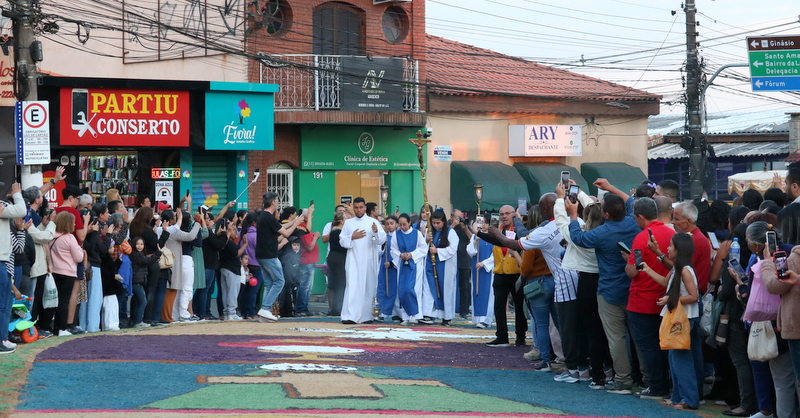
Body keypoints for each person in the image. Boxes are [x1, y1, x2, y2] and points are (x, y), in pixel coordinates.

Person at [566, 179, 639, 395]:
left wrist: (572, 215)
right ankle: (645, 379)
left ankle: (623, 379)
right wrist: (610, 187)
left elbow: (577, 237)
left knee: (616, 338)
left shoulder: (601, 233)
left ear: (606, 215)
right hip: (632, 287)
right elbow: (632, 202)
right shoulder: (634, 223)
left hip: (609, 291)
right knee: (639, 337)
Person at [555, 183, 607, 387]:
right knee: (608, 330)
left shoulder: (581, 235)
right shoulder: (609, 232)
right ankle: (609, 370)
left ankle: (597, 375)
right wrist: (580, 193)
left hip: (587, 282)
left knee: (591, 330)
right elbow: (596, 211)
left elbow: (562, 222)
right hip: (605, 280)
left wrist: (561, 200)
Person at [640, 233, 700, 410]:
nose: (668, 248)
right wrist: (647, 269)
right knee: (675, 361)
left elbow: (694, 296)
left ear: (678, 249)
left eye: (671, 246)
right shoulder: (678, 268)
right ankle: (678, 397)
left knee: (681, 361)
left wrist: (671, 299)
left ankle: (690, 399)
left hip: (684, 319)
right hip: (678, 318)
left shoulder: (685, 270)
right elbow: (665, 282)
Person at [625, 197, 675, 399]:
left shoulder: (641, 237)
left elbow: (633, 271)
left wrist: (626, 261)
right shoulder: (671, 233)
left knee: (648, 345)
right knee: (664, 344)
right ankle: (666, 383)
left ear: (640, 217)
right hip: (666, 298)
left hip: (642, 300)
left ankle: (657, 385)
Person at [255, 192, 303, 322]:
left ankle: (264, 313)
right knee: (279, 281)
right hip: (269, 255)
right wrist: (296, 224)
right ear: (272, 202)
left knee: (269, 284)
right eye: (277, 201)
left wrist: (294, 221)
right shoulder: (268, 217)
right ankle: (265, 308)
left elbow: (280, 227)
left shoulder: (263, 216)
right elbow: (286, 233)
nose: (278, 203)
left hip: (262, 255)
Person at [338, 197, 386, 324]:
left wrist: (376, 232)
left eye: (361, 207)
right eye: (356, 208)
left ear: (365, 208)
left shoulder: (373, 222)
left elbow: (382, 239)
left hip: (369, 260)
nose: (358, 210)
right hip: (353, 260)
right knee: (353, 287)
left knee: (368, 287)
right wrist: (352, 237)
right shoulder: (348, 223)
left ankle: (366, 316)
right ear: (353, 208)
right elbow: (342, 240)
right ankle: (350, 316)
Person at [485, 205, 525, 346]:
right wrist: (477, 232)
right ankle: (502, 336)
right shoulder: (496, 231)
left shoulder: (519, 230)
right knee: (499, 306)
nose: (504, 216)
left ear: (514, 214)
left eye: (507, 213)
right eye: (501, 214)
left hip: (516, 273)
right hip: (500, 273)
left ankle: (521, 336)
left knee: (519, 307)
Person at [129, 207, 169, 325]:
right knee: (150, 290)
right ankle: (147, 318)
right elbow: (158, 245)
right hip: (151, 261)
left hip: (137, 261)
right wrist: (165, 232)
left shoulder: (134, 228)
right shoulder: (148, 231)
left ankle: (134, 318)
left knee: (138, 292)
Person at [48, 212, 85, 336]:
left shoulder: (52, 236)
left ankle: (52, 327)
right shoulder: (69, 238)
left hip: (54, 271)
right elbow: (78, 257)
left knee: (54, 300)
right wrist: (81, 251)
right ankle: (62, 328)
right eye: (73, 222)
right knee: (64, 301)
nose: (74, 225)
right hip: (67, 272)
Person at [0, 184, 28, 350]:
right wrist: (17, 195)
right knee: (2, 305)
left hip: (5, 264)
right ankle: (2, 340)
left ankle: (3, 338)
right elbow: (21, 210)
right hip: (3, 263)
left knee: (4, 305)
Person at [422, 210, 459, 326]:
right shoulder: (429, 232)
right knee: (429, 287)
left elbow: (453, 249)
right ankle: (428, 314)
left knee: (445, 290)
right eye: (433, 223)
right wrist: (426, 240)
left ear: (443, 221)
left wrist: (437, 251)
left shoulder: (450, 232)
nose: (435, 225)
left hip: (445, 265)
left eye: (438, 223)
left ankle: (446, 316)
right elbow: (421, 247)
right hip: (430, 264)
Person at [391, 213, 427, 325]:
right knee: (402, 289)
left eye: (404, 224)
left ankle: (415, 315)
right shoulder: (396, 234)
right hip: (402, 264)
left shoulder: (417, 234)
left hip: (415, 264)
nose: (402, 227)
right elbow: (393, 249)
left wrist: (412, 254)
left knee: (413, 289)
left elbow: (423, 248)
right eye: (400, 224)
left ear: (409, 223)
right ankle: (405, 316)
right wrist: (400, 255)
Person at [466, 215, 494, 329]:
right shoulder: (475, 236)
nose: (483, 225)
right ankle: (478, 318)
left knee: (488, 293)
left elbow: (496, 254)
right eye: (481, 223)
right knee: (477, 291)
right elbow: (470, 251)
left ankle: (486, 319)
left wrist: (485, 263)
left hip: (488, 270)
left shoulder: (493, 237)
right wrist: (475, 242)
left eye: (485, 223)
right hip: (476, 269)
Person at [129, 237, 161, 327]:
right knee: (143, 302)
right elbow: (146, 261)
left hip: (139, 282)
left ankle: (135, 321)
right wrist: (157, 254)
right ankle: (138, 321)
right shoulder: (135, 255)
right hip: (136, 282)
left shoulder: (140, 254)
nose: (139, 246)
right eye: (137, 244)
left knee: (138, 301)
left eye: (141, 244)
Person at [219, 219, 247, 321]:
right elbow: (236, 254)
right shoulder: (228, 242)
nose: (235, 233)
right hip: (232, 269)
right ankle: (232, 312)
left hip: (224, 267)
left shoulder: (222, 240)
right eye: (233, 230)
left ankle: (227, 312)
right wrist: (245, 244)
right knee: (232, 292)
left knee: (225, 292)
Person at [451, 208, 473, 319]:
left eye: (461, 217)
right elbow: (445, 236)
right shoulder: (449, 227)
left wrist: (465, 228)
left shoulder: (465, 226)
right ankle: (450, 310)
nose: (460, 220)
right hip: (452, 259)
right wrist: (453, 225)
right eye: (457, 217)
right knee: (450, 286)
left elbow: (472, 239)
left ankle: (464, 311)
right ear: (452, 217)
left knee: (464, 287)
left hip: (464, 260)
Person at [377, 216, 399, 321]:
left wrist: (392, 262)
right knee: (383, 288)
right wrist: (382, 244)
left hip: (395, 266)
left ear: (396, 224)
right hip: (384, 265)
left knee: (394, 289)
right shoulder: (384, 237)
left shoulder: (398, 237)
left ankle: (396, 312)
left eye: (392, 223)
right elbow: (378, 252)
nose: (389, 226)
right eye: (387, 224)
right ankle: (383, 312)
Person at [326, 212, 347, 316]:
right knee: (340, 283)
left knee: (335, 282)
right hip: (339, 259)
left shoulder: (333, 231)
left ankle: (335, 308)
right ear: (342, 221)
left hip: (333, 258)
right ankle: (338, 308)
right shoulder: (338, 232)